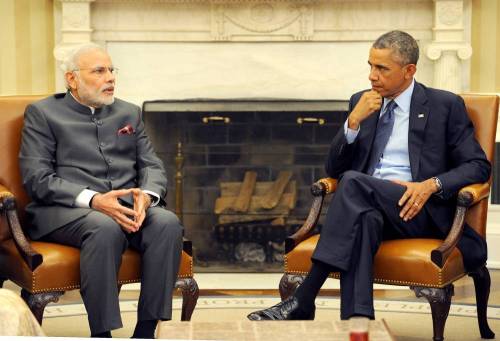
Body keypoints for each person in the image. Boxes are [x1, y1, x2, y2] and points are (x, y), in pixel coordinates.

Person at [247, 30, 490, 321]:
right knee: (363, 218)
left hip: (418, 209)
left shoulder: (444, 105)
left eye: (382, 68)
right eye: (371, 66)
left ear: (409, 70)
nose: (372, 76)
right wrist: (353, 122)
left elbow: (478, 165)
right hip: (368, 204)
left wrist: (430, 185)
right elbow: (333, 171)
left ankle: (305, 297)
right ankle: (359, 321)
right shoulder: (362, 103)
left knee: (352, 182)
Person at [19, 43, 183, 338]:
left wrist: (147, 195)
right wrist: (94, 200)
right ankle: (102, 333)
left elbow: (152, 165)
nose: (110, 77)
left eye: (111, 70)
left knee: (167, 223)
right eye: (99, 71)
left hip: (126, 206)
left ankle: (146, 331)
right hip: (67, 211)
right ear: (72, 79)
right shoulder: (43, 113)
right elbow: (37, 178)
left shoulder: (129, 113)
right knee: (103, 226)